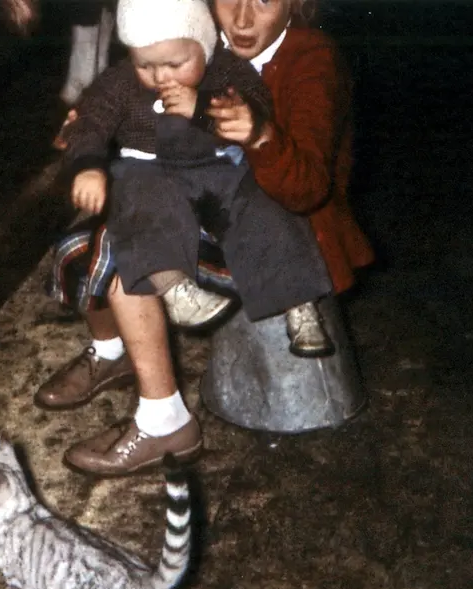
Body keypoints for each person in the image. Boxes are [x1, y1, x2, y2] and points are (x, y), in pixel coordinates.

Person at [41, 0, 361, 478]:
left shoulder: (310, 61)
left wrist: (259, 134)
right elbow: (114, 102)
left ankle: (163, 417)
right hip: (185, 197)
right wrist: (89, 142)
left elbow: (308, 188)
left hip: (278, 222)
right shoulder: (187, 31)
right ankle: (114, 352)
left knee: (121, 244)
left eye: (265, 0)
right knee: (83, 231)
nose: (245, 19)